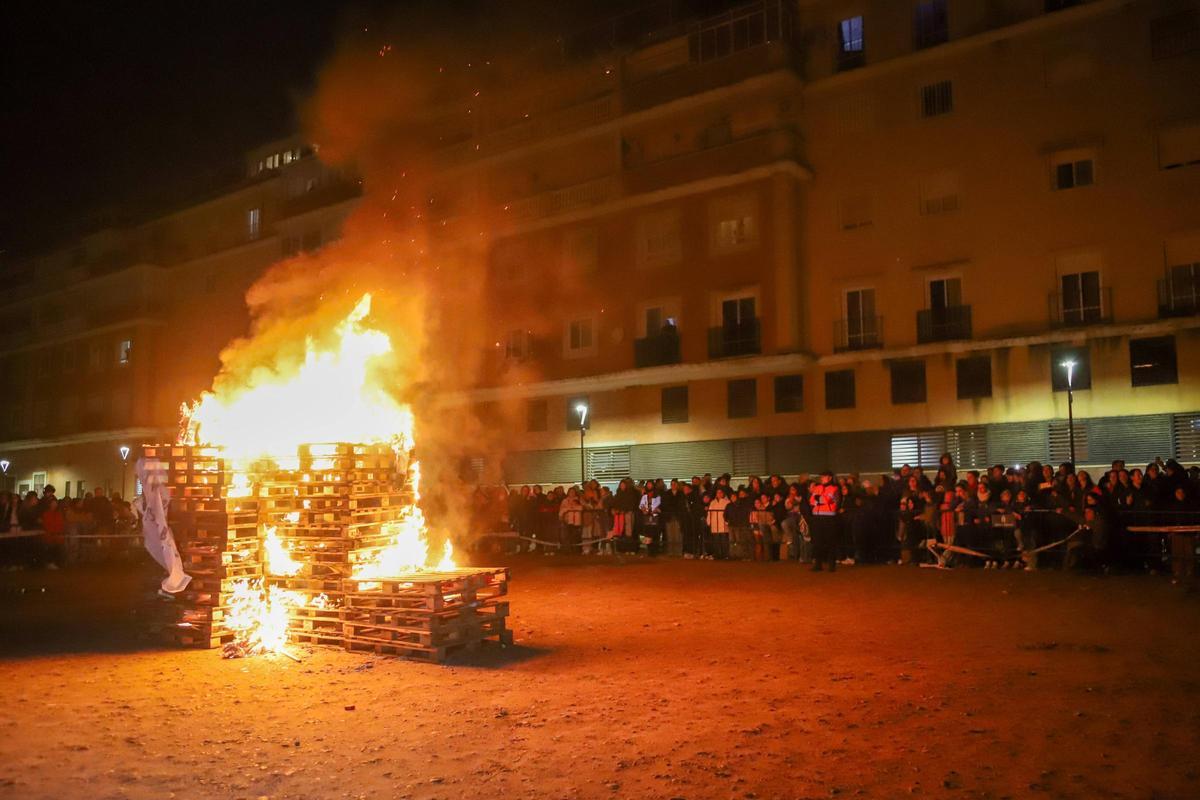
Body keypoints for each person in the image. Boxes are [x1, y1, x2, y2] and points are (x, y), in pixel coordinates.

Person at [808, 471, 840, 572]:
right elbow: (812, 501)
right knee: (817, 541)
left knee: (830, 541)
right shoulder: (817, 488)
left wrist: (819, 500)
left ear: (830, 477)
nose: (821, 478)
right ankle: (818, 564)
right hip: (817, 517)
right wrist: (821, 500)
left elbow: (828, 500)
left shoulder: (834, 488)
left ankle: (831, 564)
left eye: (824, 476)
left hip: (829, 517)